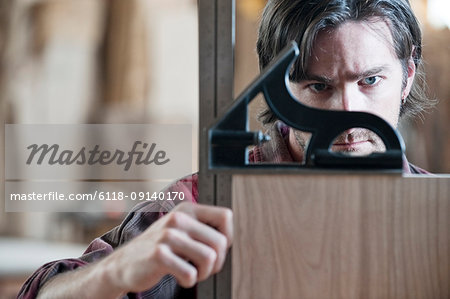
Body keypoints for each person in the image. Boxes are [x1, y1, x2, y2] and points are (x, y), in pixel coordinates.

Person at [18, 0, 430, 298]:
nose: (348, 111)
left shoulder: (436, 211)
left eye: (370, 82)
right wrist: (116, 272)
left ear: (407, 75)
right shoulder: (204, 202)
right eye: (319, 86)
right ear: (276, 89)